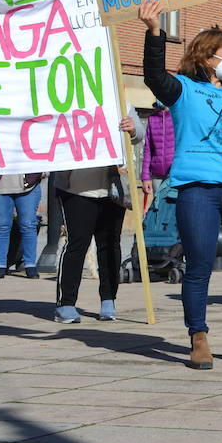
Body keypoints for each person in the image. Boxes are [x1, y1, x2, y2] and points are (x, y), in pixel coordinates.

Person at [137, 0, 222, 372]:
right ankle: (198, 337)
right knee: (198, 267)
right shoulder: (183, 89)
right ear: (209, 57)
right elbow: (153, 76)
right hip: (198, 189)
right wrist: (153, 32)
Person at [51, 115, 146, 323]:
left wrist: (132, 129)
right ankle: (66, 303)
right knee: (77, 243)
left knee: (110, 244)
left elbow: (139, 134)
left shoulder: (119, 99)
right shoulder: (69, 99)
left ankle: (108, 299)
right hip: (76, 187)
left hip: (112, 189)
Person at [0, 172, 41, 279]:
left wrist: (43, 172)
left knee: (28, 225)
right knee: (1, 226)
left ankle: (30, 266)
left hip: (28, 186)